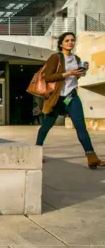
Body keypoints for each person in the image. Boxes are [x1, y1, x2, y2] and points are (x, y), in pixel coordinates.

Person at [35, 32, 105, 169]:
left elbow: (75, 79)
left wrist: (82, 72)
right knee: (46, 127)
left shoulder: (77, 58)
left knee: (81, 127)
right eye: (67, 40)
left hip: (71, 98)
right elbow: (48, 77)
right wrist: (68, 73)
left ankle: (92, 157)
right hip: (56, 99)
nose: (70, 42)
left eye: (72, 40)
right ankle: (36, 152)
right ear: (61, 44)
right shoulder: (56, 58)